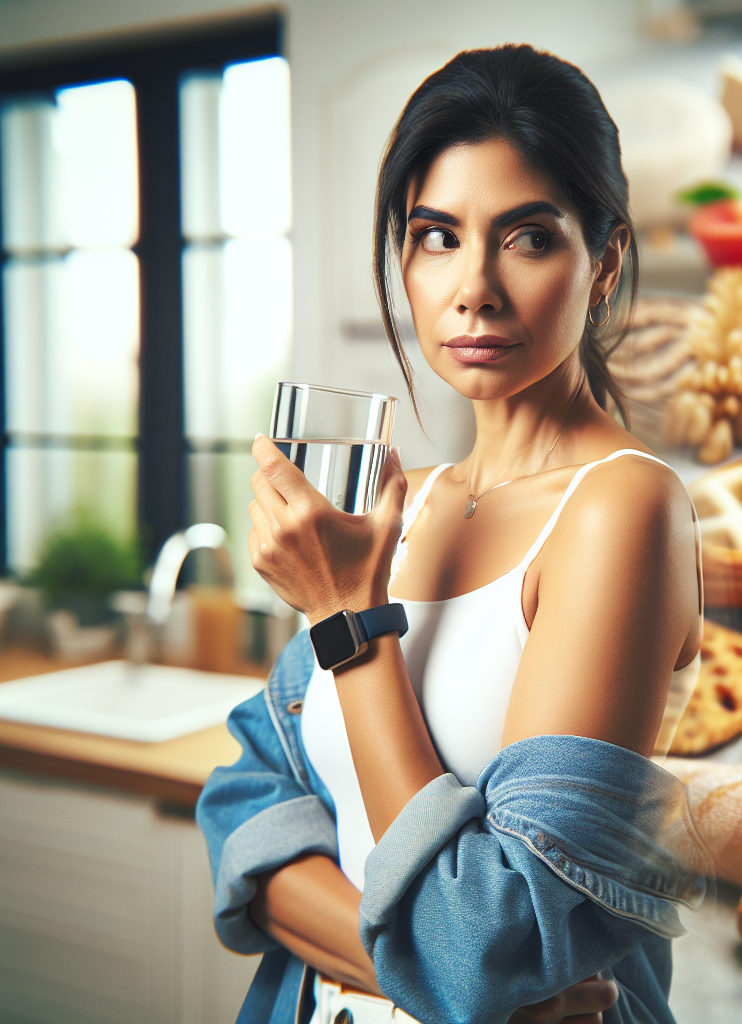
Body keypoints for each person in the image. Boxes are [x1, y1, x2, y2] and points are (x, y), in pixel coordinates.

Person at [197, 44, 707, 1024]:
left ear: (603, 263)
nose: (474, 287)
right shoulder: (406, 503)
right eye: (436, 236)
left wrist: (348, 618)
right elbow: (247, 800)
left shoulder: (621, 508)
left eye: (528, 238)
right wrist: (448, 982)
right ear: (405, 258)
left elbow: (485, 938)